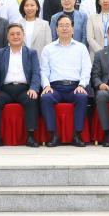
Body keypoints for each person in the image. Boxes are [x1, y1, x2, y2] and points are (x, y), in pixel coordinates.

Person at [0, 21, 41, 147]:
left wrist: (33, 88)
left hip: (24, 89)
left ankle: (31, 137)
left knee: (32, 98)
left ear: (23, 35)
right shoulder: (0, 53)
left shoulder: (31, 53)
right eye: (12, 34)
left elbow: (36, 73)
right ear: (7, 37)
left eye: (18, 34)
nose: (15, 36)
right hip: (5, 89)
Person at [38, 15, 92, 147]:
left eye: (67, 25)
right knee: (46, 98)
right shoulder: (48, 48)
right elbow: (43, 70)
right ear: (56, 29)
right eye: (61, 25)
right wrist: (46, 86)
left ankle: (77, 135)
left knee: (82, 97)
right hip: (55, 88)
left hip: (75, 87)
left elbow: (86, 69)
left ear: (73, 29)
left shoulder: (81, 48)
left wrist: (82, 85)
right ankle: (54, 135)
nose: (64, 28)